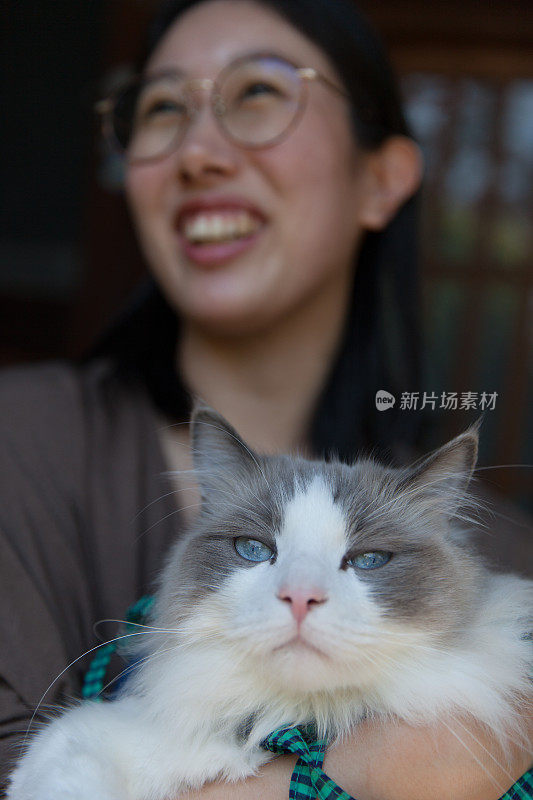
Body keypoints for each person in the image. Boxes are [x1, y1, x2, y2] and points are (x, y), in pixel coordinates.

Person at [0, 0, 530, 797]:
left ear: (382, 177)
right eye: (162, 108)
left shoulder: (508, 556)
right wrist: (370, 774)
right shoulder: (17, 437)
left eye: (257, 94)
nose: (198, 152)